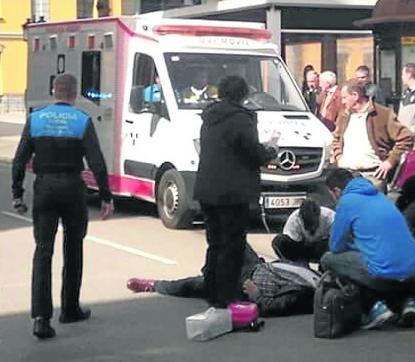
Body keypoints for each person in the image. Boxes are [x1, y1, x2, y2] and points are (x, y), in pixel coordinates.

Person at [11, 73, 114, 339]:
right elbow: (97, 161)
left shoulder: (36, 119)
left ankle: (41, 318)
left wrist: (18, 194)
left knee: (43, 251)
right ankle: (69, 308)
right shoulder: (82, 121)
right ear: (74, 93)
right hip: (72, 189)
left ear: (54, 91)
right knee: (74, 246)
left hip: (45, 188)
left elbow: (20, 159)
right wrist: (106, 196)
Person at [193, 75, 278, 308]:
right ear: (243, 95)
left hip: (208, 188)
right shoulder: (241, 119)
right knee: (232, 246)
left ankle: (211, 289)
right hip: (232, 191)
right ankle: (226, 296)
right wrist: (270, 152)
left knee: (215, 242)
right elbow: (252, 152)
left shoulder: (209, 116)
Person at [320, 168, 415, 329]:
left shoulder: (347, 202)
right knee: (385, 260)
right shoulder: (380, 197)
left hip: (385, 275)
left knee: (329, 259)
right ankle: (408, 302)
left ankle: (374, 307)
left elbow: (335, 246)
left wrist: (352, 244)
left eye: (332, 195)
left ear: (337, 191)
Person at [127, 243, 320, 317]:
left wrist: (255, 293)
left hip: (246, 284)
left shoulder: (303, 296)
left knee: (196, 284)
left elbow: (271, 307)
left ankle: (154, 285)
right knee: (230, 237)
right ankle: (211, 271)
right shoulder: (314, 276)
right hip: (258, 266)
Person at [332, 78, 414, 193]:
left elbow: (406, 137)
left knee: (374, 209)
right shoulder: (344, 115)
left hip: (373, 176)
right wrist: (339, 156)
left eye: (344, 98)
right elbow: (336, 138)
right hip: (347, 176)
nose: (342, 102)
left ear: (355, 96)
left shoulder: (382, 114)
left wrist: (390, 161)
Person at [271, 199, 335, 264]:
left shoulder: (330, 217)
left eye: (314, 223)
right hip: (302, 247)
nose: (312, 227)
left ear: (319, 214)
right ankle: (293, 264)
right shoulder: (294, 219)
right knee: (279, 241)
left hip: (320, 248)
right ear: (300, 217)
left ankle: (324, 266)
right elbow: (293, 243)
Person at [397, 63, 415, 131]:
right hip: (404, 134)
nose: (401, 77)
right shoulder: (406, 92)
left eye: (403, 74)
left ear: (409, 75)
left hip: (414, 134)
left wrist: (414, 129)